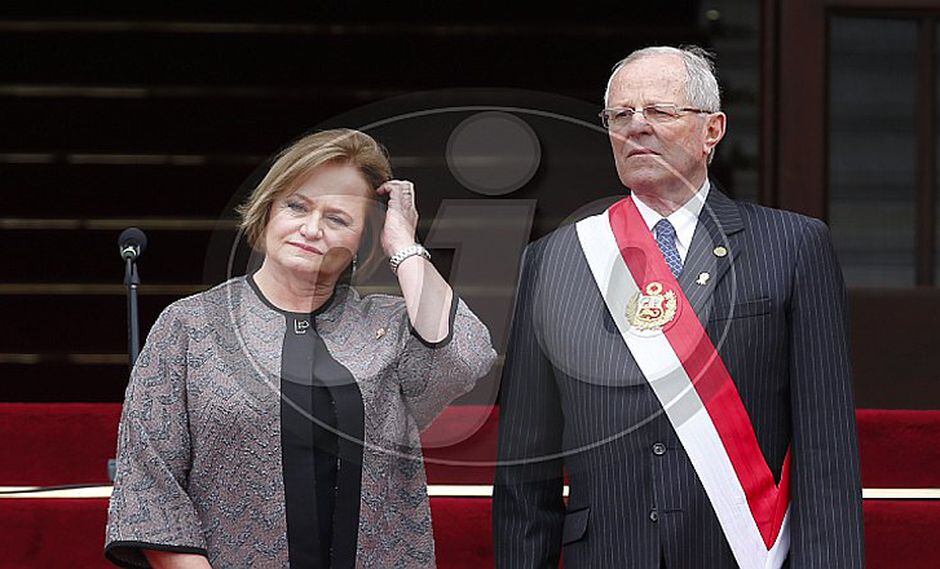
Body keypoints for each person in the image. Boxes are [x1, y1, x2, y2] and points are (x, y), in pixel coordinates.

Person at [493, 46, 864, 568]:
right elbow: (526, 465)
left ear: (713, 130)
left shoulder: (792, 246)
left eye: (659, 111)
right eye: (621, 115)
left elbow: (826, 448)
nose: (636, 127)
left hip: (739, 552)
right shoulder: (555, 259)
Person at [105, 128, 497, 568]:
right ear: (269, 208)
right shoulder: (190, 325)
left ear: (363, 241)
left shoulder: (386, 326)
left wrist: (404, 244)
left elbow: (465, 356)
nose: (311, 229)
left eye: (338, 219)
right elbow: (150, 490)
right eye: (297, 206)